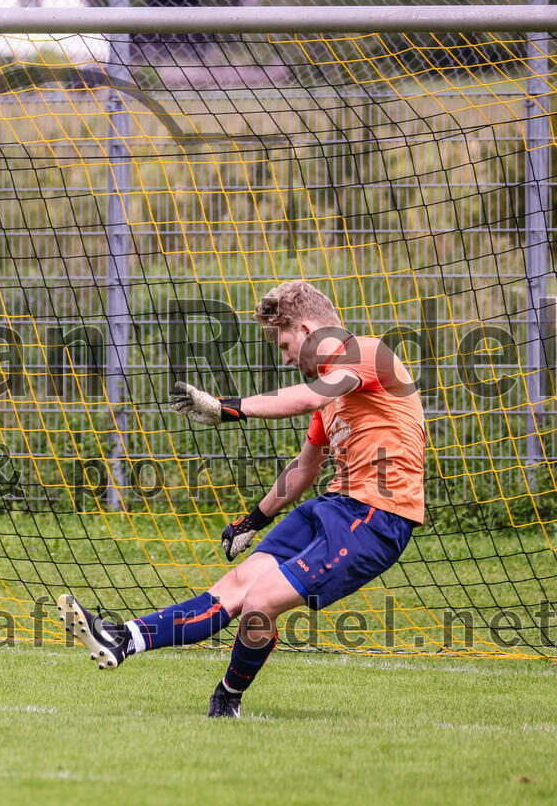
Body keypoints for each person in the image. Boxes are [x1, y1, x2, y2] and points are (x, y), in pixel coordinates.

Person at [57, 279, 426, 717]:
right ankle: (122, 638)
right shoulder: (332, 394)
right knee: (235, 588)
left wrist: (229, 407)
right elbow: (305, 467)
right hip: (333, 507)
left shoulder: (365, 353)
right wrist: (253, 520)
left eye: (285, 345)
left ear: (308, 330)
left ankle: (227, 696)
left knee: (260, 600)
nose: (286, 358)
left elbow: (306, 397)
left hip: (378, 516)